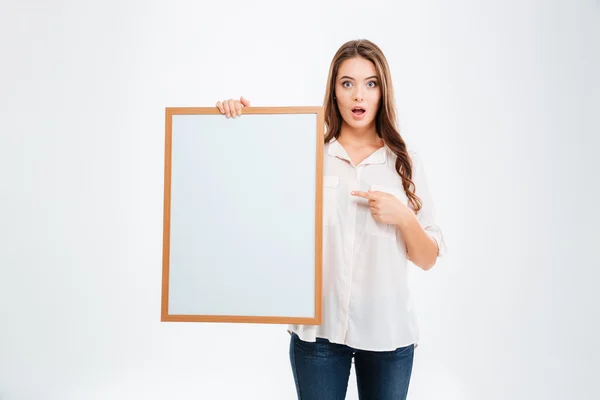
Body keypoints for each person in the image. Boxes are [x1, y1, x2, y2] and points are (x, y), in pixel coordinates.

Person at [215, 39, 446, 400]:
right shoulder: (306, 153)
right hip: (318, 334)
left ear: (383, 91)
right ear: (334, 91)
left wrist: (402, 216)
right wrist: (239, 122)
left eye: (370, 83)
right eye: (347, 83)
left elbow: (428, 258)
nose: (359, 96)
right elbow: (251, 193)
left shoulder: (404, 163)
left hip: (388, 335)